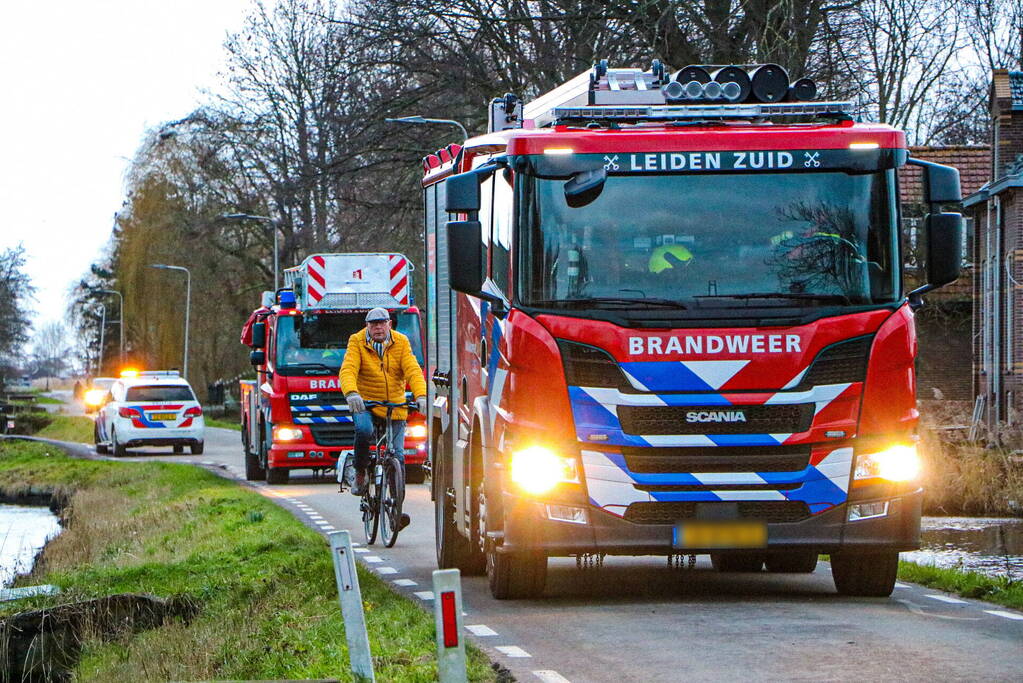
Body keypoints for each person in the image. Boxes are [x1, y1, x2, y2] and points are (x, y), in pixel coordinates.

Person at [338, 307, 427, 495]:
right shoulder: (356, 341)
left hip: (394, 404)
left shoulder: (401, 342)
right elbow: (348, 369)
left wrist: (421, 395)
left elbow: (412, 369)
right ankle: (361, 472)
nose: (378, 328)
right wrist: (352, 393)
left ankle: (397, 504)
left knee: (398, 455)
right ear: (367, 326)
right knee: (364, 430)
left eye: (381, 323)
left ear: (389, 324)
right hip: (365, 403)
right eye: (373, 324)